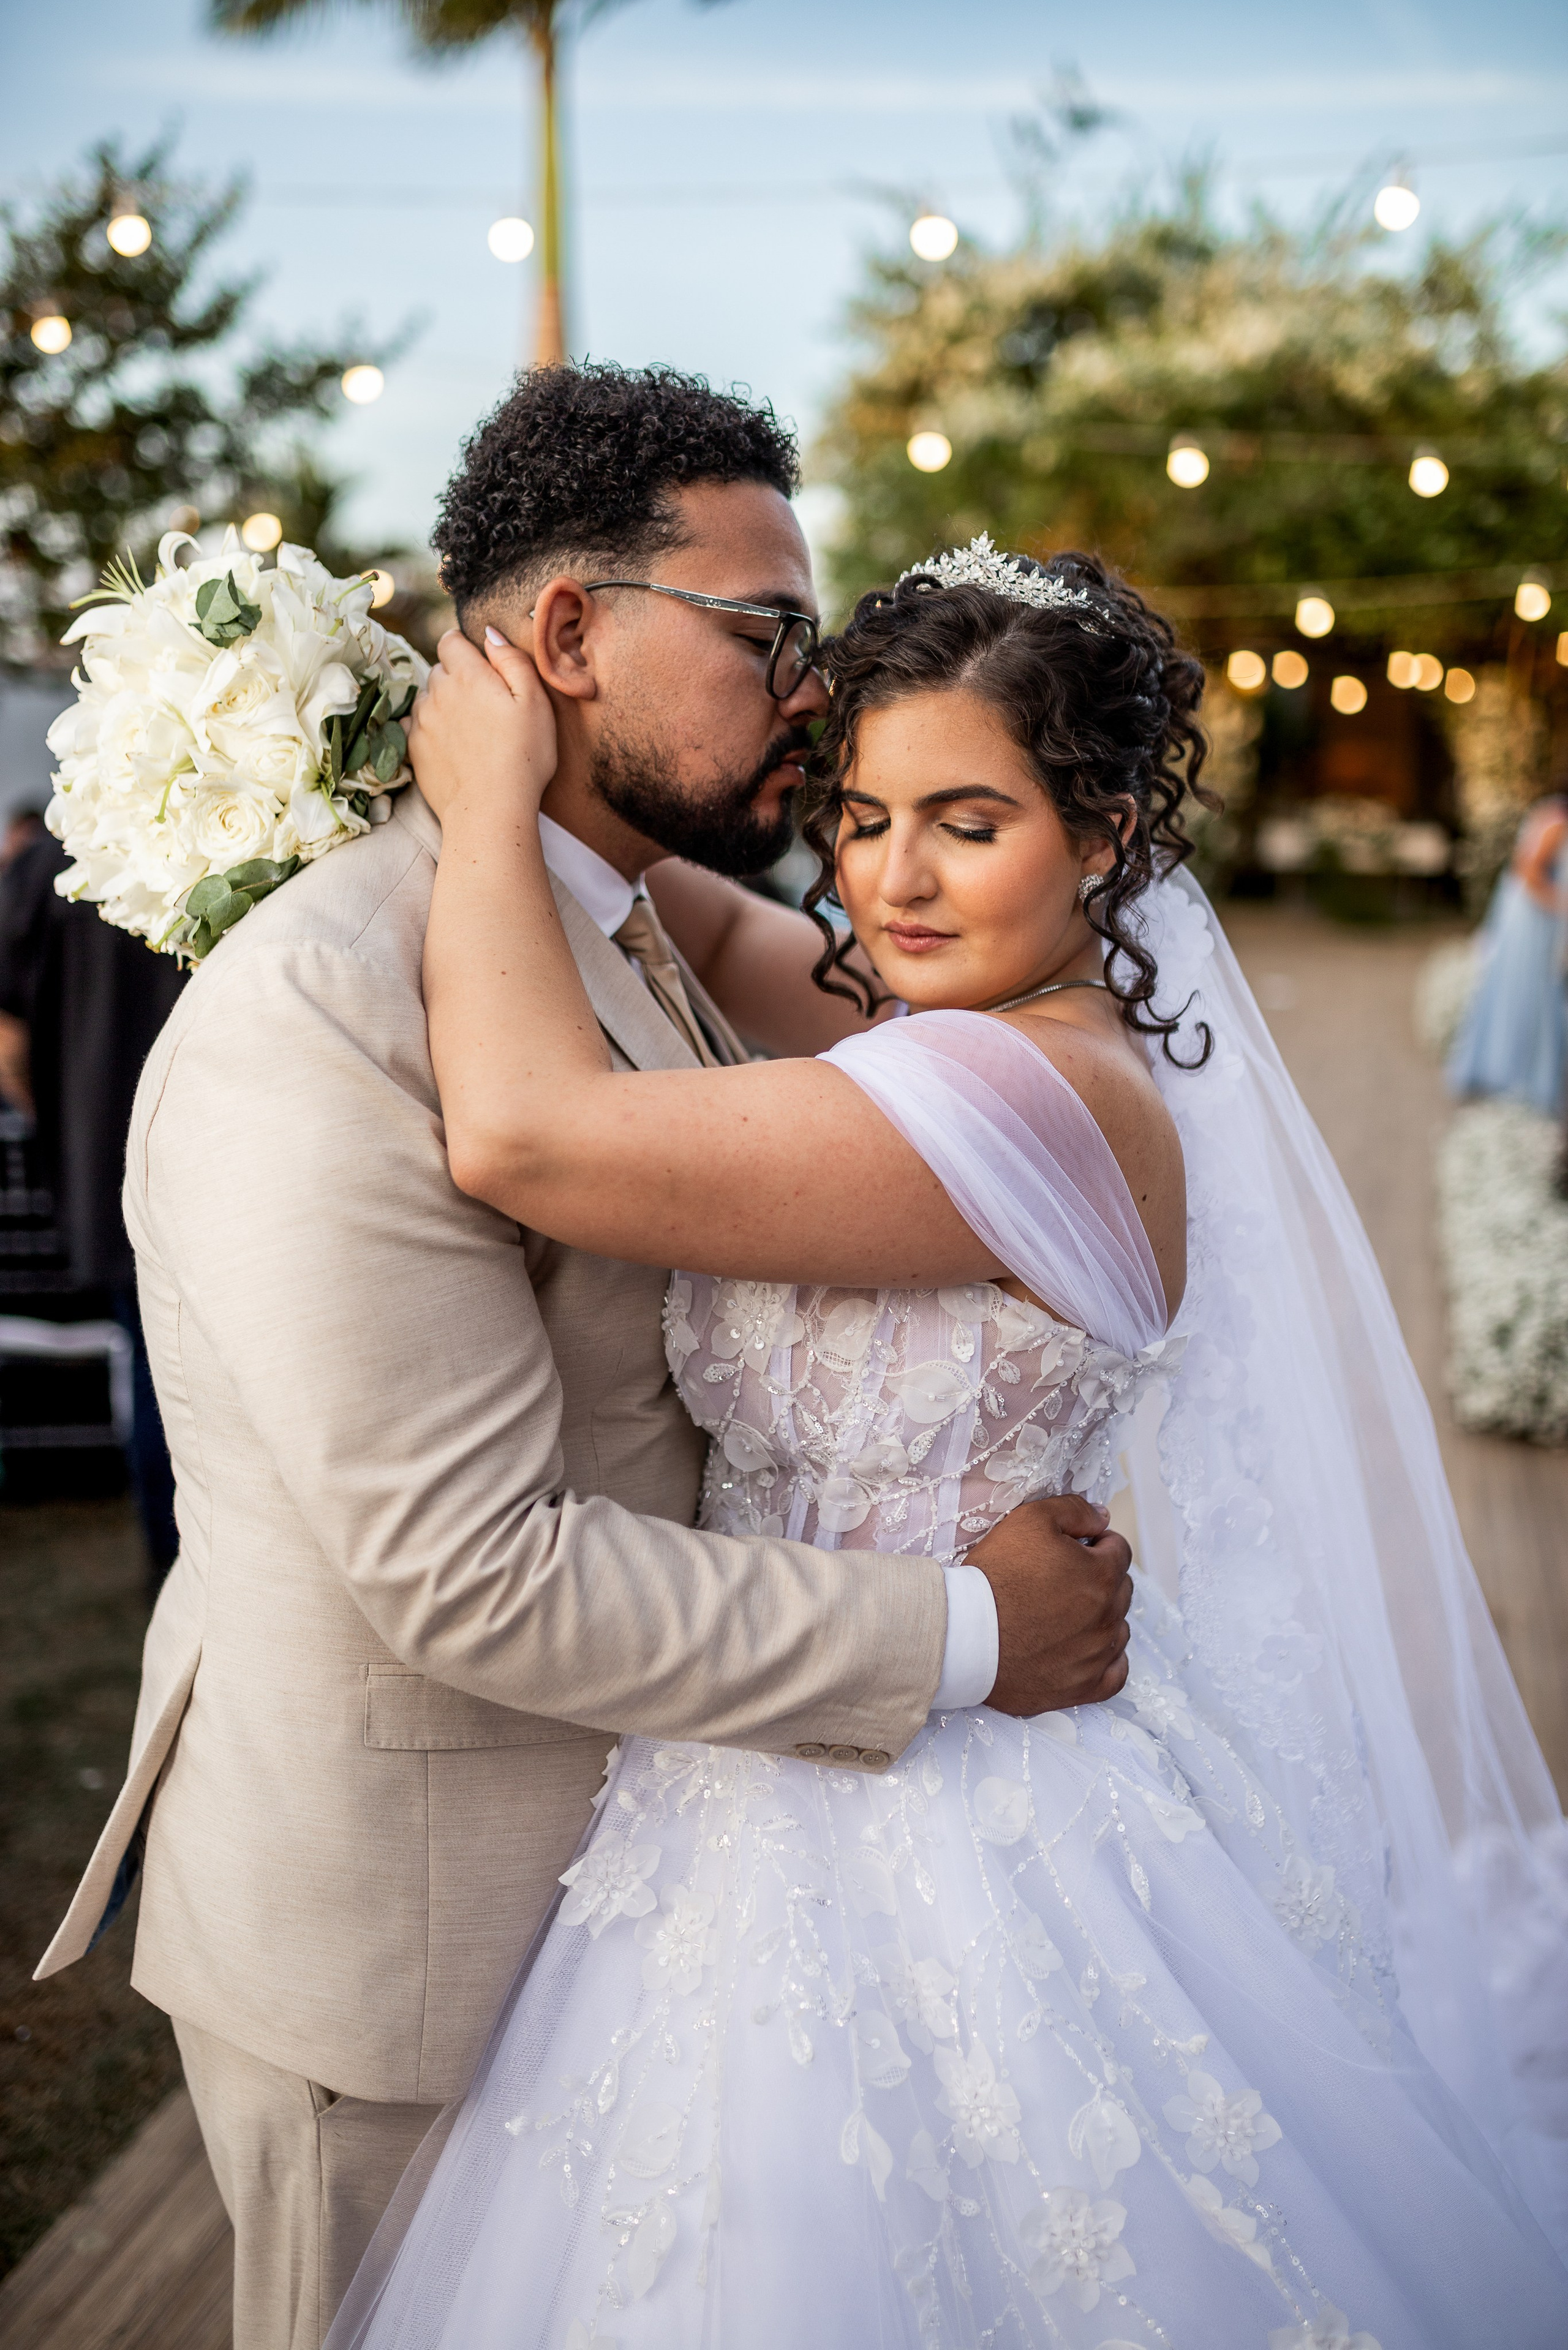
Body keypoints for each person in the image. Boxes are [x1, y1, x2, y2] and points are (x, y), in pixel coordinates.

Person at [330, 537, 1568, 2348]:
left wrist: (489, 790)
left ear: (1109, 831)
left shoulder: (1030, 1095)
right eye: (862, 812)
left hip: (945, 1790)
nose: (890, 878)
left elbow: (526, 1135)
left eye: (966, 822)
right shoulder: (968, 1019)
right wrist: (583, 747)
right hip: (754, 1754)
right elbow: (695, 916)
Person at [34, 368, 1136, 2350]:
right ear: (565, 636)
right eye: (767, 633)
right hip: (413, 1947)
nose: (812, 690)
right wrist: (966, 1636)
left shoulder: (618, 926)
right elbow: (469, 1566)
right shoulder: (329, 1009)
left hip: (672, 1890)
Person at [0, 819, 184, 1582]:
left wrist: (62, 1125)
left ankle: (173, 1572)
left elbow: (9, 1042)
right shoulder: (246, 831)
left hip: (103, 1158)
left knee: (154, 1374)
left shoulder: (50, 864)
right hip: (225, 1149)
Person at [1447, 795, 1568, 1116]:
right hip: (1536, 921)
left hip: (1530, 919)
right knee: (1532, 994)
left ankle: (1509, 1072)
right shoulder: (1558, 822)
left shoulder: (1549, 810)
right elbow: (1527, 869)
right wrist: (1562, 903)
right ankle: (1521, 1079)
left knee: (1519, 991)